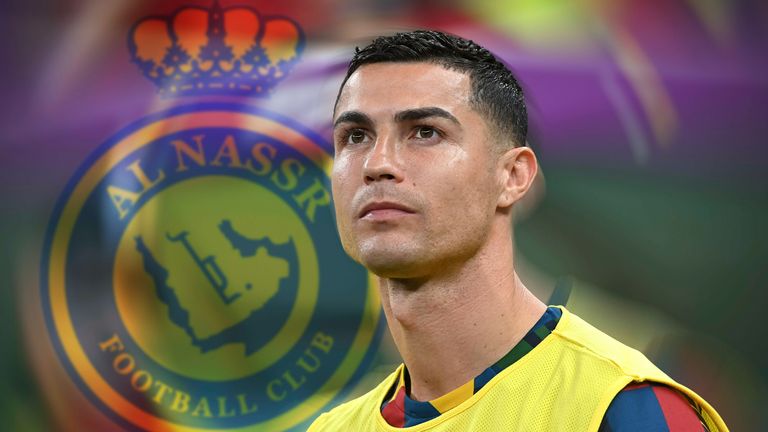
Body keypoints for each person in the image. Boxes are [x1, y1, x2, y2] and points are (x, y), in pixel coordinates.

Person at [308, 30, 728, 431]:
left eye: (425, 132)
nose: (377, 164)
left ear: (513, 176)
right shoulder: (333, 427)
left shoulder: (625, 406)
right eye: (355, 136)